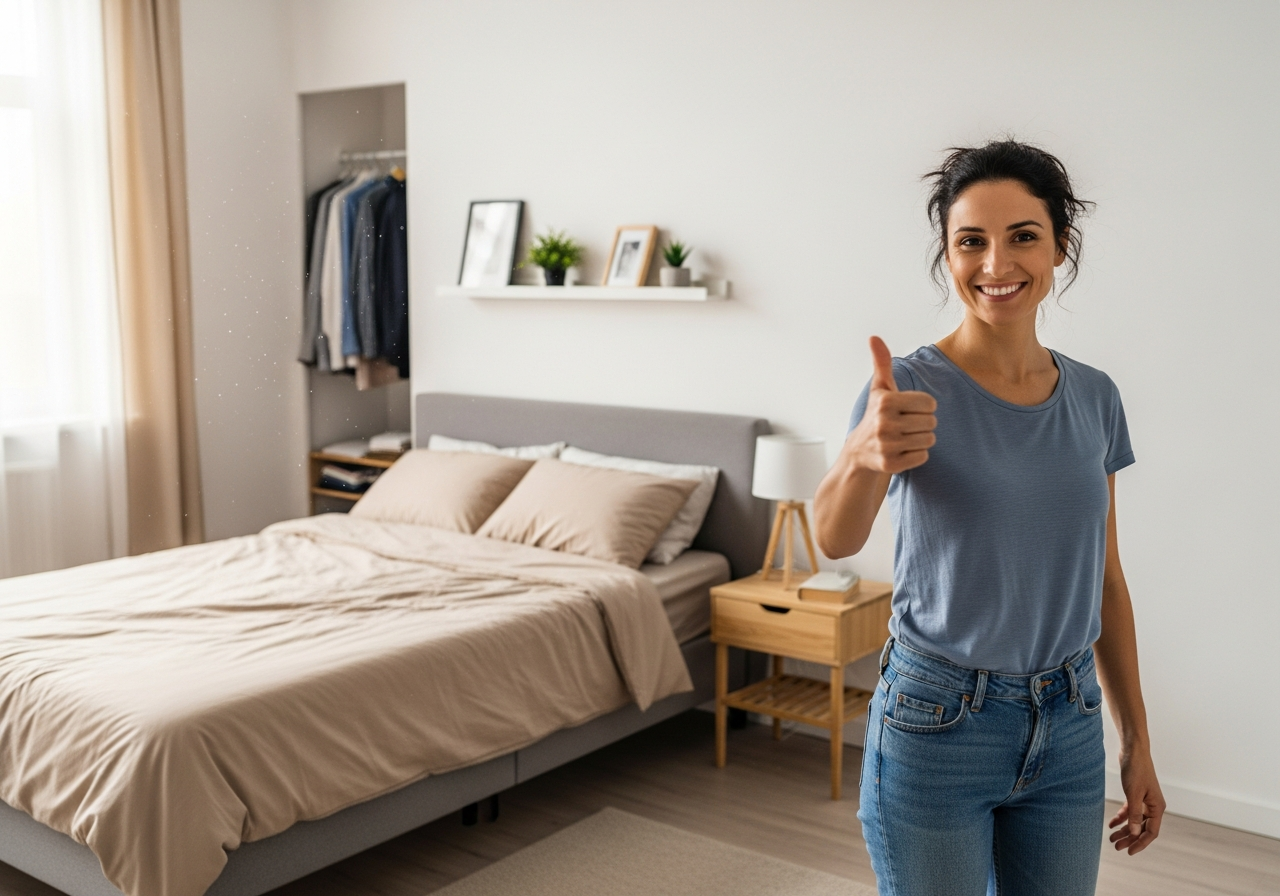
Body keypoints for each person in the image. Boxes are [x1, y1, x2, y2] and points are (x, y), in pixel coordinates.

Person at [813, 140, 1164, 896]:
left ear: (1059, 247)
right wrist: (862, 457)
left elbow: (1104, 577)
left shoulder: (1096, 397)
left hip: (1069, 723)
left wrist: (1136, 740)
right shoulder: (904, 388)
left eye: (1023, 237)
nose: (996, 264)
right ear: (948, 253)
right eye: (971, 241)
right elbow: (835, 538)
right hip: (937, 723)